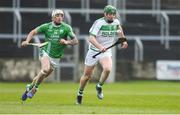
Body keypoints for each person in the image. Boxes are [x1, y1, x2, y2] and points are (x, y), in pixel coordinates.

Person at [21, 9, 78, 101]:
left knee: (42, 75)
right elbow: (33, 32)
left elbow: (75, 41)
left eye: (61, 16)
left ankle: (29, 87)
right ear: (53, 17)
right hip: (45, 52)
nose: (60, 17)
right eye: (57, 15)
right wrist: (27, 41)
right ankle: (35, 89)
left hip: (56, 58)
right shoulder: (46, 26)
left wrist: (66, 42)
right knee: (45, 69)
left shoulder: (67, 28)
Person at [76, 5, 128, 104]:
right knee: (87, 76)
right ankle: (80, 93)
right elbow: (91, 38)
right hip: (94, 51)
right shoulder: (99, 23)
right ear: (105, 14)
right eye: (109, 14)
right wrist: (100, 47)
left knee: (108, 69)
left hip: (106, 51)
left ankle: (99, 86)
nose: (111, 16)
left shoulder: (116, 22)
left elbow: (120, 32)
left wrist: (123, 41)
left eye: (113, 14)